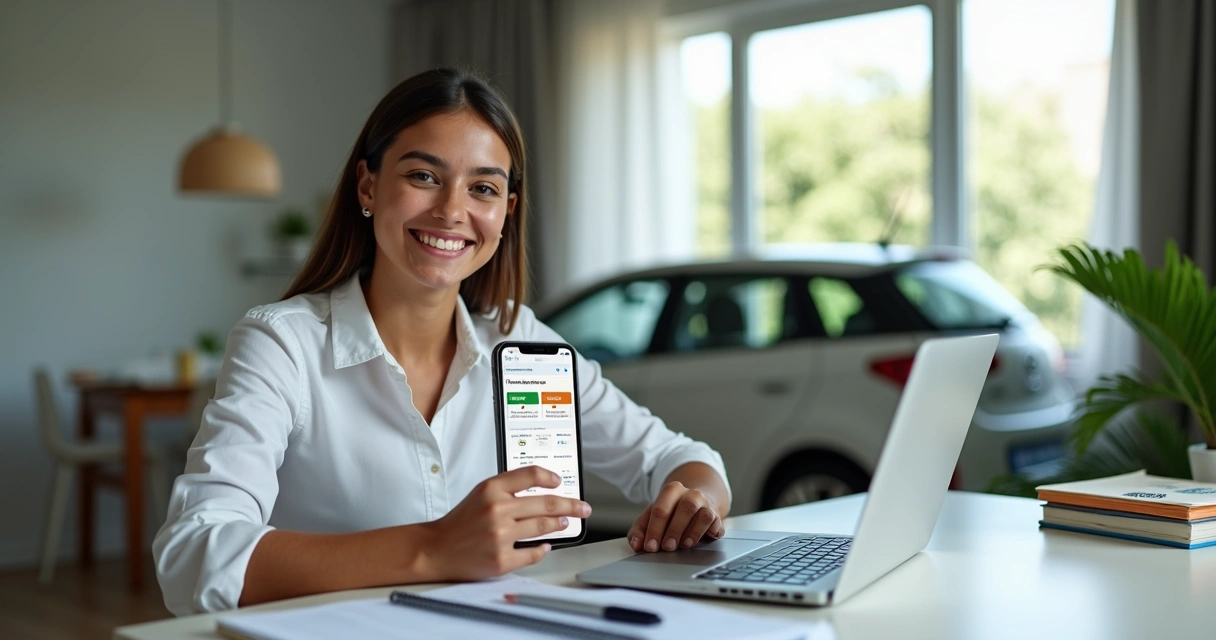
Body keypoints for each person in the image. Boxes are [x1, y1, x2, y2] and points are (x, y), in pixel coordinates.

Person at [153, 68, 731, 616]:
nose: (452, 210)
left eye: (482, 188)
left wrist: (692, 504)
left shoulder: (520, 342)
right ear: (368, 185)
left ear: (505, 212)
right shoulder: (282, 344)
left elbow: (682, 460)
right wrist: (432, 548)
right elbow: (194, 555)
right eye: (423, 176)